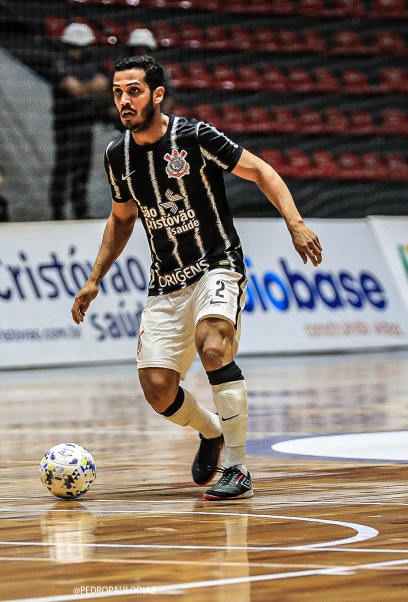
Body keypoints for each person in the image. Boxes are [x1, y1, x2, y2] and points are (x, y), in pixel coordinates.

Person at [71, 56, 322, 500]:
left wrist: (295, 222)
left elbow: (261, 170)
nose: (124, 101)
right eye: (117, 92)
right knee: (157, 388)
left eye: (133, 91)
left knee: (213, 343)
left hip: (216, 264)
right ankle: (211, 433)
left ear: (157, 94)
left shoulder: (193, 136)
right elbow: (121, 218)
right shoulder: (117, 155)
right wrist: (94, 279)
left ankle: (238, 468)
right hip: (166, 281)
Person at [49, 23, 110, 220]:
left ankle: (80, 210)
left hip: (86, 123)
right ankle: (57, 212)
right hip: (66, 124)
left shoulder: (89, 64)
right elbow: (74, 90)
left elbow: (104, 86)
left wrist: (84, 89)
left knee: (82, 171)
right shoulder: (59, 62)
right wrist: (91, 88)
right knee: (63, 168)